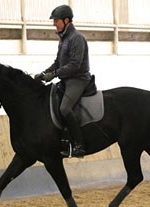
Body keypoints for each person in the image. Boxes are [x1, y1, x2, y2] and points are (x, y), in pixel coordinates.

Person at [35, 4, 95, 158]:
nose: (54, 23)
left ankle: (79, 145)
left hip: (78, 80)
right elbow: (58, 62)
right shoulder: (64, 39)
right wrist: (44, 73)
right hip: (66, 80)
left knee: (65, 108)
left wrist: (54, 74)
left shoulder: (77, 38)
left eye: (56, 21)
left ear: (66, 20)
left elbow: (74, 65)